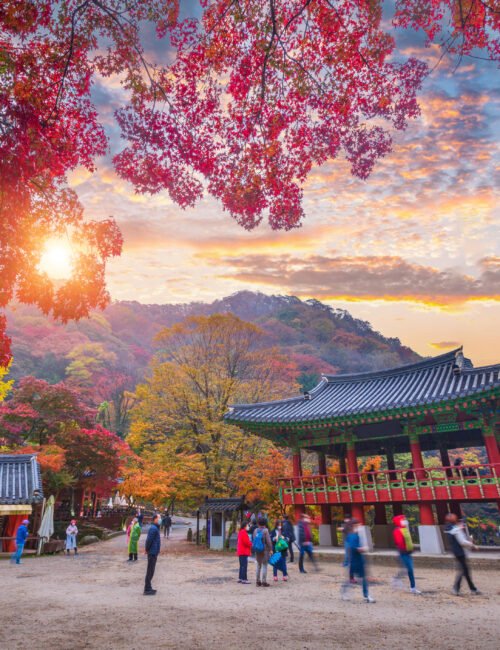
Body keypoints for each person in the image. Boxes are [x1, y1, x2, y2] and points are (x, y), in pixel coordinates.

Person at [445, 513, 481, 596]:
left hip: (457, 552)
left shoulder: (449, 528)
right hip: (460, 552)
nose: (456, 518)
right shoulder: (455, 529)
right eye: (455, 517)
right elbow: (462, 542)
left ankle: (472, 589)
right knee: (464, 571)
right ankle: (456, 589)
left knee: (465, 571)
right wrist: (472, 545)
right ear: (451, 519)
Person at [340, 518, 375, 603]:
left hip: (358, 559)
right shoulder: (352, 536)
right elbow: (352, 548)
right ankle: (345, 591)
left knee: (362, 578)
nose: (359, 526)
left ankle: (366, 595)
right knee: (359, 578)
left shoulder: (355, 535)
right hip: (354, 560)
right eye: (358, 525)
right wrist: (362, 549)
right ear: (353, 526)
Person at [392, 515, 421, 594]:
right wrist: (406, 549)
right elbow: (399, 543)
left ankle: (413, 587)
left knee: (410, 570)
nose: (405, 520)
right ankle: (396, 579)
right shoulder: (397, 530)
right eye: (403, 519)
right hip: (403, 553)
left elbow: (408, 541)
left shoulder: (404, 529)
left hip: (408, 553)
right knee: (407, 569)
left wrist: (411, 548)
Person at [252, 516, 272, 587]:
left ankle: (257, 581)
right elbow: (269, 542)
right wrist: (270, 549)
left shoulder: (255, 530)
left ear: (258, 523)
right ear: (265, 523)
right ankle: (264, 581)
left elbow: (254, 540)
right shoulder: (265, 530)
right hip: (264, 551)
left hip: (257, 551)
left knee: (258, 565)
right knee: (264, 565)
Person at [144, 514, 161, 595]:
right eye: (159, 518)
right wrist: (147, 549)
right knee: (150, 570)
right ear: (155, 519)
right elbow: (149, 540)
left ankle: (149, 587)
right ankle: (147, 588)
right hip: (152, 552)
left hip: (154, 552)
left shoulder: (155, 528)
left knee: (151, 570)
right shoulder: (153, 528)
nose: (160, 519)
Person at [340, 515, 355, 583]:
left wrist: (342, 529)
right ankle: (351, 577)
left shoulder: (348, 524)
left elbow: (346, 530)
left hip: (349, 540)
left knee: (347, 553)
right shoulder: (352, 524)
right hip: (351, 540)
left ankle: (346, 563)